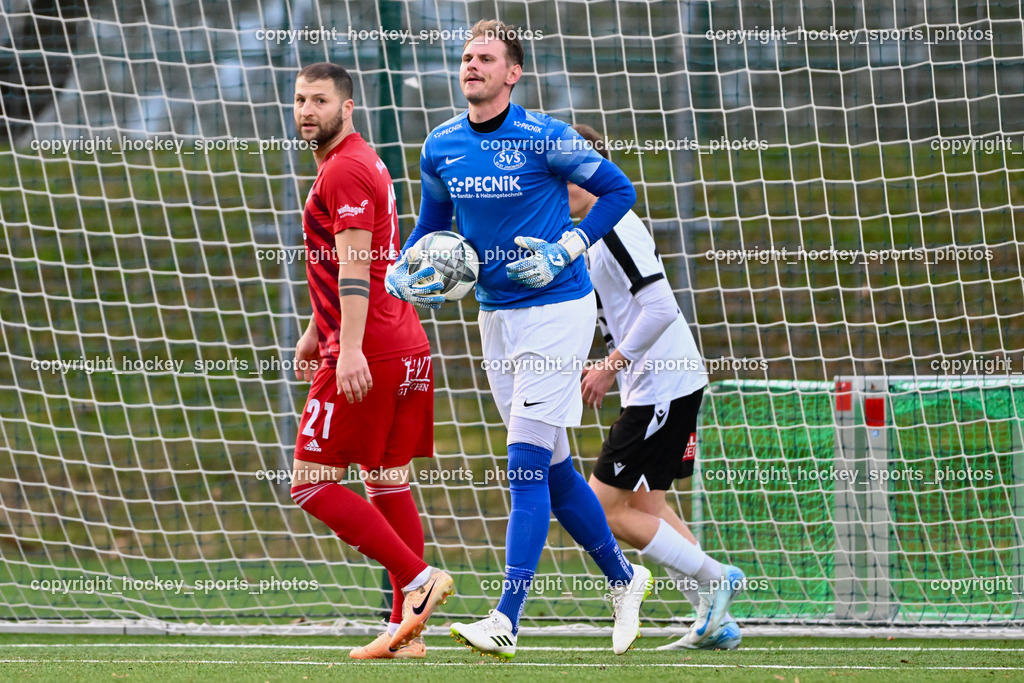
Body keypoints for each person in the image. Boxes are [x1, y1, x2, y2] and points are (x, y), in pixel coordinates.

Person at [385, 20, 651, 660]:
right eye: (467, 57)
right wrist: (405, 264)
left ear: (513, 73)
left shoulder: (546, 138)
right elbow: (433, 224)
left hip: (557, 311)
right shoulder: (441, 145)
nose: (472, 66)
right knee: (553, 466)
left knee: (524, 465)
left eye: (486, 59)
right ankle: (623, 577)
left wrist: (570, 246)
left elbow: (619, 190)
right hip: (495, 315)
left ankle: (506, 616)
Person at [289, 62, 453, 661]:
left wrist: (348, 346)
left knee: (309, 485)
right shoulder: (357, 162)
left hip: (373, 348)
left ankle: (419, 580)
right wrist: (317, 328)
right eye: (301, 99)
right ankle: (406, 632)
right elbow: (351, 262)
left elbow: (356, 267)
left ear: (348, 107)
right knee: (386, 481)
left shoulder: (346, 170)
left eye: (320, 100)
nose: (308, 110)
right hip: (403, 343)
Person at [569, 124, 744, 650]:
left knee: (603, 509)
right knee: (647, 508)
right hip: (660, 384)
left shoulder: (617, 223)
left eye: (564, 175)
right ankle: (713, 619)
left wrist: (611, 366)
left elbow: (662, 307)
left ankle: (716, 577)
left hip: (663, 384)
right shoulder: (591, 233)